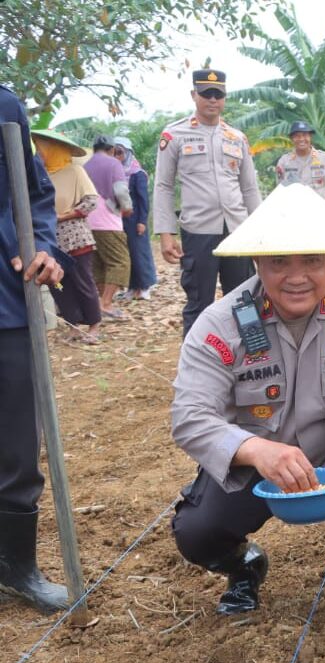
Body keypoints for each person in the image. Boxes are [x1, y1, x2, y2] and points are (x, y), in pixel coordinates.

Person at [169, 184, 325, 617]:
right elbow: (190, 416)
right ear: (257, 262)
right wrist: (256, 451)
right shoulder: (221, 324)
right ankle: (243, 566)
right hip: (257, 454)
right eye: (279, 261)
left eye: (313, 260)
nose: (296, 276)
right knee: (197, 532)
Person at [0, 83, 70, 613]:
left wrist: (41, 245)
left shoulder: (4, 105)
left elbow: (34, 194)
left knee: (18, 446)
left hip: (5, 301)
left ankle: (15, 567)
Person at [154, 69, 262, 336]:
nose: (212, 100)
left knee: (244, 299)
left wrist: (260, 232)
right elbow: (164, 186)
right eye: (206, 94)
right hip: (199, 231)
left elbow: (249, 188)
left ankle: (252, 358)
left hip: (237, 230)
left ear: (224, 98)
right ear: (194, 95)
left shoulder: (237, 138)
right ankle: (196, 363)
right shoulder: (175, 135)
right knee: (199, 302)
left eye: (218, 94)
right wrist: (166, 234)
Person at [32, 130, 102, 344]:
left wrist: (62, 216)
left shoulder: (75, 171)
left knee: (82, 281)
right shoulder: (39, 175)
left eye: (41, 147)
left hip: (75, 237)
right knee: (59, 286)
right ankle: (73, 326)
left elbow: (91, 201)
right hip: (50, 240)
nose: (39, 152)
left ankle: (94, 325)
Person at [83, 134, 132, 322]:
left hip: (88, 220)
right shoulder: (113, 164)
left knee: (99, 263)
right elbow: (120, 190)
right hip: (108, 220)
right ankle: (106, 304)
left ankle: (101, 304)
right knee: (120, 262)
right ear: (111, 149)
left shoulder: (85, 166)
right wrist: (127, 208)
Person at [114, 136, 156, 300]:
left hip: (136, 220)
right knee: (127, 254)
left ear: (128, 153)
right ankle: (132, 287)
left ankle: (145, 286)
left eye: (120, 152)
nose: (117, 156)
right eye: (114, 153)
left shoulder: (137, 174)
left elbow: (143, 200)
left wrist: (142, 221)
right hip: (120, 220)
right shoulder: (117, 173)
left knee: (140, 253)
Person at [274, 121, 325, 201]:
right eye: (297, 136)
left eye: (305, 135)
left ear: (310, 137)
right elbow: (281, 187)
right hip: (294, 210)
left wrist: (320, 201)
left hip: (318, 209)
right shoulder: (284, 162)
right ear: (292, 139)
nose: (301, 139)